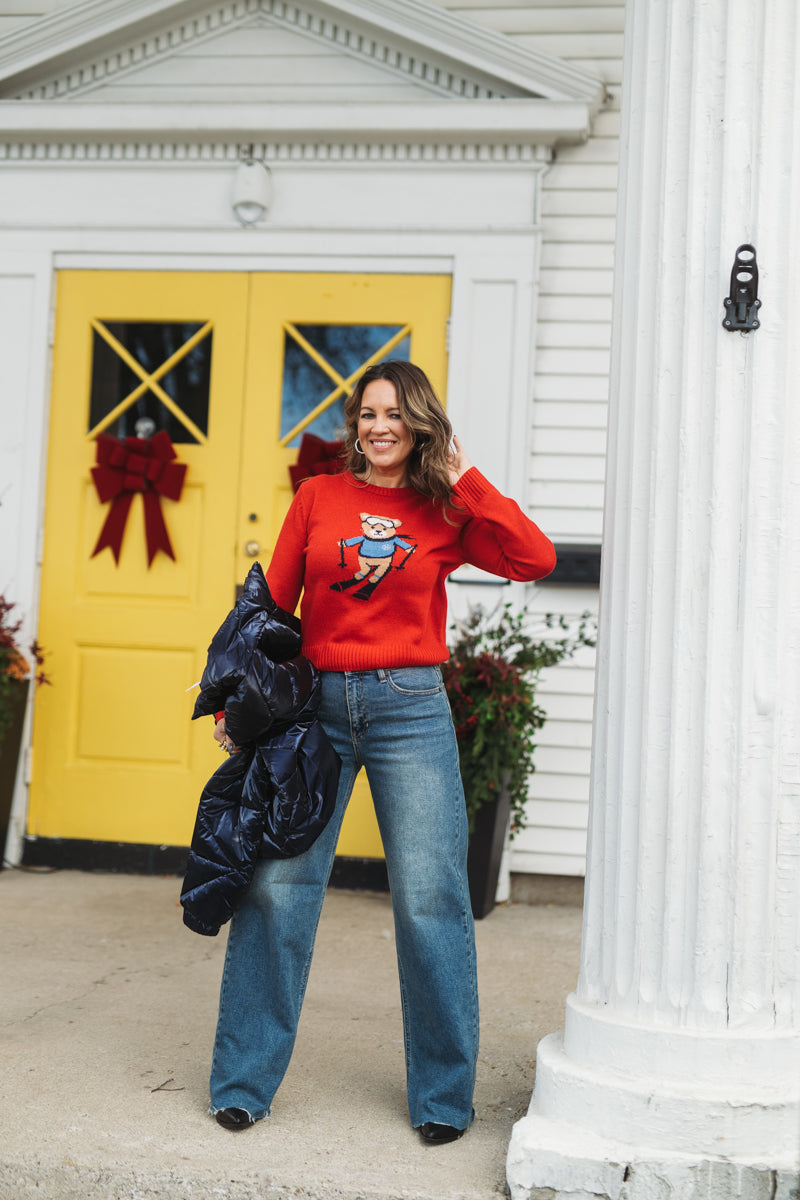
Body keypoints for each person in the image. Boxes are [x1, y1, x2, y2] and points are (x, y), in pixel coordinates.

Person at [209, 360, 556, 1144]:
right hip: (315, 711)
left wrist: (466, 479)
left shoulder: (445, 506)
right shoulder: (318, 497)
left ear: (420, 422)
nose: (379, 426)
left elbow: (533, 558)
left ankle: (442, 1098)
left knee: (432, 900)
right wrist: (239, 699)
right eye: (368, 414)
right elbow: (271, 610)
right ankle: (242, 1084)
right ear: (354, 426)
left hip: (411, 709)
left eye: (395, 413)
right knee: (277, 889)